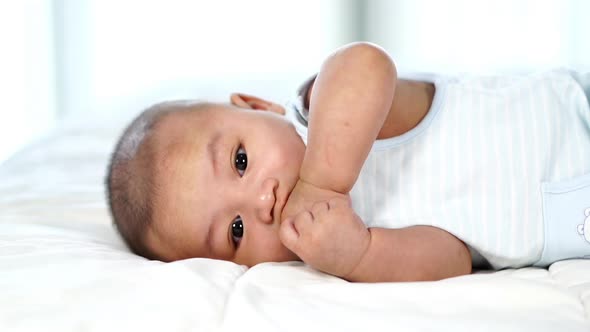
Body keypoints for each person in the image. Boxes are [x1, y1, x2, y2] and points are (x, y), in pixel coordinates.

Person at [106, 42, 590, 282]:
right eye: (236, 231)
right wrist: (362, 254)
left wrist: (321, 182)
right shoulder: (336, 250)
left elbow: (366, 64)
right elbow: (455, 258)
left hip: (572, 119)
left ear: (258, 108)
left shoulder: (322, 114)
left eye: (239, 160)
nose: (263, 200)